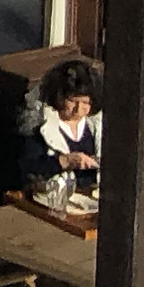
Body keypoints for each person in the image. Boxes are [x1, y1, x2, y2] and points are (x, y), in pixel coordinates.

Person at [23, 61, 103, 201]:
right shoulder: (41, 126)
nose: (78, 109)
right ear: (59, 97)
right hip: (51, 203)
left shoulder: (98, 128)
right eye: (72, 101)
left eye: (85, 103)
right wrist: (64, 161)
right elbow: (28, 166)